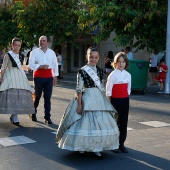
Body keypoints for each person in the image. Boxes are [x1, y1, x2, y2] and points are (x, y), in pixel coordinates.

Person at [56, 47, 119, 159]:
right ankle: (82, 146)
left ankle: (96, 148)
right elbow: (79, 89)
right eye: (91, 57)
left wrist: (106, 100)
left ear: (98, 58)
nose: (93, 59)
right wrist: (80, 104)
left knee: (99, 123)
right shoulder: (82, 71)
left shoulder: (100, 70)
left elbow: (102, 86)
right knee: (84, 123)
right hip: (87, 98)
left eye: (95, 57)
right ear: (87, 57)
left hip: (99, 98)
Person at [0, 37, 35, 125]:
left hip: (20, 77)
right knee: (10, 95)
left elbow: (23, 66)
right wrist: (1, 78)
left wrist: (27, 67)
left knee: (21, 95)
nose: (17, 47)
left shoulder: (21, 56)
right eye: (15, 45)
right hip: (10, 76)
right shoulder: (8, 55)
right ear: (12, 45)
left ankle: (14, 115)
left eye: (19, 45)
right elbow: (3, 67)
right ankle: (14, 115)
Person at [29, 36, 58, 124]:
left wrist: (55, 76)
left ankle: (47, 117)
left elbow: (55, 64)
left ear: (47, 42)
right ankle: (33, 112)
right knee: (37, 96)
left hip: (49, 77)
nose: (42, 42)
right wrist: (40, 66)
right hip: (38, 76)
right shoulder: (34, 52)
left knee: (47, 97)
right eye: (40, 41)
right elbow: (30, 65)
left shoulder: (51, 52)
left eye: (44, 41)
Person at [106, 52, 131, 153]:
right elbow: (108, 90)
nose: (121, 64)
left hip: (125, 100)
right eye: (119, 62)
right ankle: (114, 144)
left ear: (126, 63)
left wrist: (125, 96)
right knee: (115, 122)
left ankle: (122, 143)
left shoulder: (128, 75)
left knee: (124, 121)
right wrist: (110, 101)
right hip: (115, 100)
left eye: (123, 62)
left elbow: (129, 88)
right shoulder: (112, 75)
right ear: (115, 63)